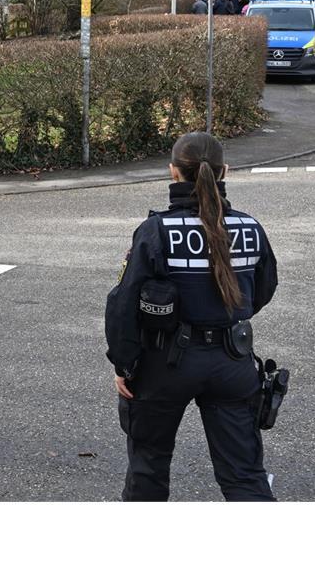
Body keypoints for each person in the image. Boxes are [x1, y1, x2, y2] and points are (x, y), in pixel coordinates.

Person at [105, 132, 279, 501]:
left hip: (164, 364)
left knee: (147, 469)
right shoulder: (250, 228)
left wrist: (124, 365)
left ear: (173, 172)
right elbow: (263, 290)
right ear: (224, 171)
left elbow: (122, 305)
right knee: (245, 475)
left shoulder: (155, 231)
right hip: (233, 362)